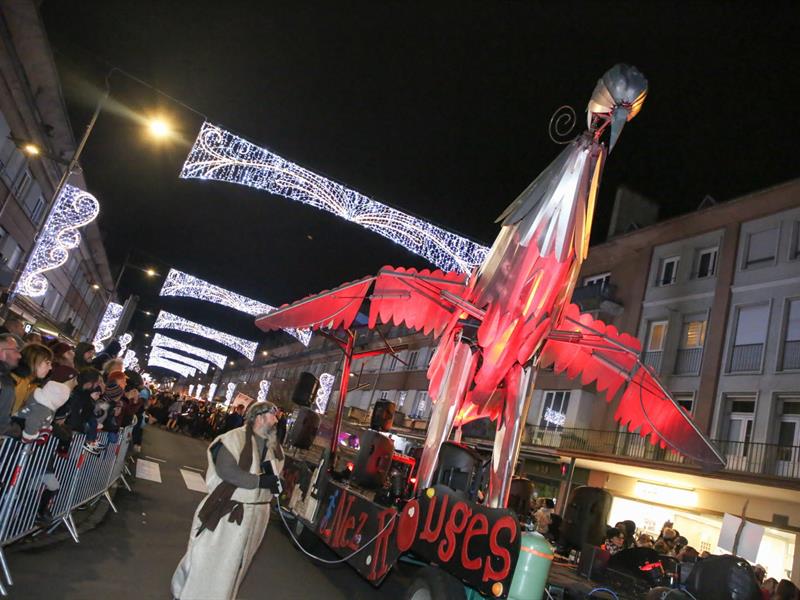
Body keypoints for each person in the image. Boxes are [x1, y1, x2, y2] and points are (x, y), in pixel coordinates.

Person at [171, 401, 284, 600]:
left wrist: (276, 483)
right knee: (209, 560)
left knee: (235, 568)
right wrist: (259, 481)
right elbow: (227, 471)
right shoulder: (232, 439)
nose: (276, 420)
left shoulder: (274, 447)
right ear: (259, 417)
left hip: (256, 516)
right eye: (273, 415)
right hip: (228, 514)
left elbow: (275, 473)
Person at [65, 368, 105, 454]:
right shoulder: (77, 394)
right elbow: (75, 414)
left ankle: (91, 441)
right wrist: (82, 427)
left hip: (78, 428)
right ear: (89, 383)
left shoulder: (85, 393)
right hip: (72, 429)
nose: (98, 385)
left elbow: (88, 411)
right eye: (97, 382)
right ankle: (89, 441)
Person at [11, 343, 53, 414]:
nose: (50, 367)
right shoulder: (14, 381)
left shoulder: (32, 385)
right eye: (47, 363)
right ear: (33, 360)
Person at [0, 333, 22, 432]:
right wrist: (18, 430)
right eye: (16, 350)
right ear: (1, 352)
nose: (19, 355)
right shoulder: (5, 384)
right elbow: (2, 425)